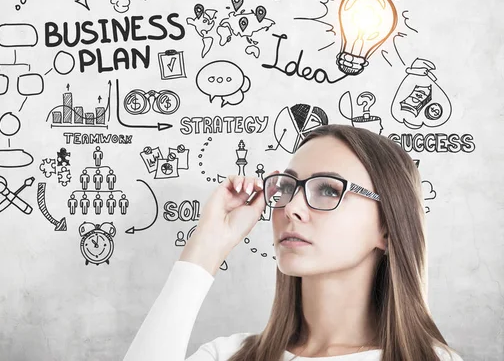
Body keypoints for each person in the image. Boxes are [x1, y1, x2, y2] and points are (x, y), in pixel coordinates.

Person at [123, 124, 464, 360]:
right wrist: (206, 248)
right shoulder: (227, 355)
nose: (292, 208)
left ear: (387, 229)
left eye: (329, 189)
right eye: (286, 187)